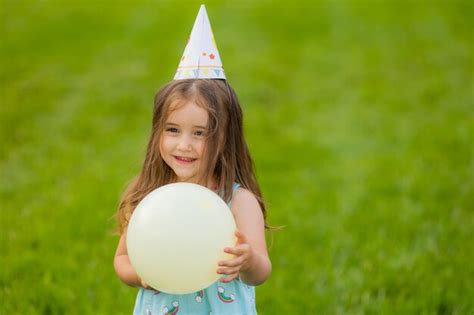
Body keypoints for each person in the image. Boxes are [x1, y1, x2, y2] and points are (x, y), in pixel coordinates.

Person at [113, 5, 271, 314]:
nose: (184, 145)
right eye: (173, 130)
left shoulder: (238, 201)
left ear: (226, 137)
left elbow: (261, 270)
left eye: (200, 133)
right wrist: (143, 275)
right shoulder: (149, 196)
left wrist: (247, 260)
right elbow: (122, 259)